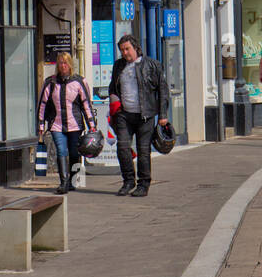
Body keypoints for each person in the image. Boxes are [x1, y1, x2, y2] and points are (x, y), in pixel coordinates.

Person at [107, 34, 169, 197]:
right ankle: (128, 181)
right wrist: (115, 104)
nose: (125, 53)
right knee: (123, 147)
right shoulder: (118, 66)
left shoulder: (152, 65)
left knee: (143, 150)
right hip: (124, 115)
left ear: (136, 48)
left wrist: (163, 115)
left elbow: (163, 90)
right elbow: (112, 88)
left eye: (127, 49)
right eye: (122, 50)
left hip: (145, 115)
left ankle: (143, 184)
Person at [36, 52, 96, 194]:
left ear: (70, 65)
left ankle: (74, 181)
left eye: (65, 63)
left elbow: (86, 104)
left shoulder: (79, 81)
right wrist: (41, 124)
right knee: (61, 151)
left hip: (75, 125)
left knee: (74, 152)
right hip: (56, 124)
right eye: (60, 63)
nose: (63, 66)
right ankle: (63, 182)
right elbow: (42, 104)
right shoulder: (50, 82)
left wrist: (91, 124)